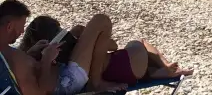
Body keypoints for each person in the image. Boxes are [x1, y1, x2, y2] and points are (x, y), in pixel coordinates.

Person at [19, 14, 190, 90]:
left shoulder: (37, 57)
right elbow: (113, 46)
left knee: (141, 61)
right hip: (122, 65)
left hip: (124, 72)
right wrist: (86, 35)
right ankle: (165, 66)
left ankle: (158, 71)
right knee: (140, 43)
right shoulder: (74, 47)